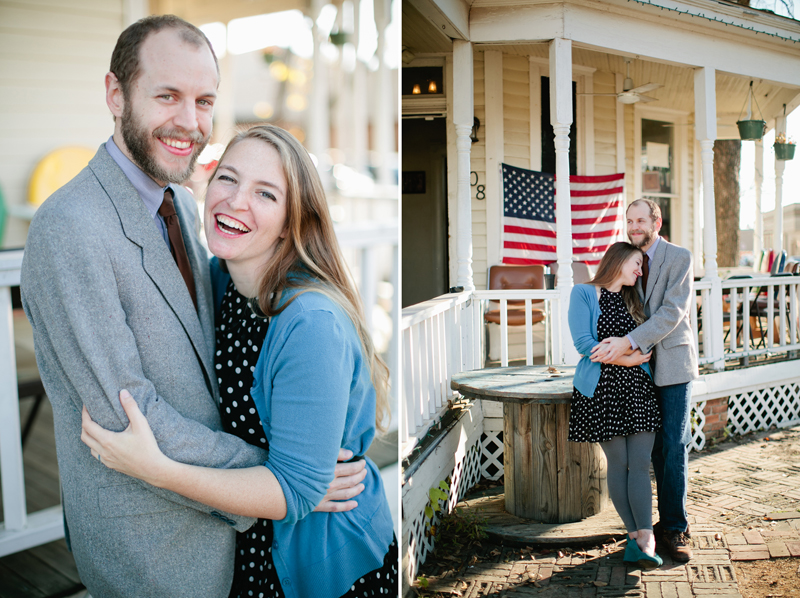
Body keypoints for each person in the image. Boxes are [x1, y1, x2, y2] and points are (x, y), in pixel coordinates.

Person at [21, 16, 363, 598]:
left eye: (204, 101)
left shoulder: (178, 200)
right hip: (153, 546)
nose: (189, 121)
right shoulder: (70, 227)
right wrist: (284, 475)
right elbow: (128, 416)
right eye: (167, 96)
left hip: (229, 542)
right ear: (115, 94)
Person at [81, 124, 397, 598]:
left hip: (323, 562)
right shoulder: (222, 285)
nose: (235, 201)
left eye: (266, 193)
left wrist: (155, 469)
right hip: (251, 543)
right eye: (228, 178)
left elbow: (295, 492)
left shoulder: (309, 322)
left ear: (294, 219)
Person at [590, 199, 698, 562]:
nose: (635, 226)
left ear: (656, 221)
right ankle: (642, 531)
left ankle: (675, 527)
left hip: (671, 365)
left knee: (672, 445)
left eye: (641, 220)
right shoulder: (625, 259)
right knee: (643, 452)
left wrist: (630, 341)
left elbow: (672, 312)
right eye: (629, 220)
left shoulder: (679, 257)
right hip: (633, 371)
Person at [568, 241, 662, 568]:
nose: (639, 271)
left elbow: (646, 350)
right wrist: (625, 359)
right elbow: (585, 345)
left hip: (638, 391)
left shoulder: (634, 300)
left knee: (639, 464)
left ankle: (645, 538)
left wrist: (629, 357)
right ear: (618, 261)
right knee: (618, 463)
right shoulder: (583, 293)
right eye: (636, 264)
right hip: (602, 391)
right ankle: (634, 536)